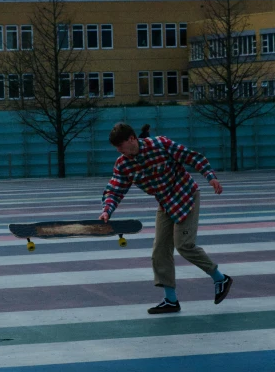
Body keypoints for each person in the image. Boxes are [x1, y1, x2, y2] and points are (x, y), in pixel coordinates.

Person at [99, 122, 232, 315]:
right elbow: (115, 188)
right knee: (160, 250)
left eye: (121, 146)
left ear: (132, 139)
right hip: (165, 204)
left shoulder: (160, 144)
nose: (120, 151)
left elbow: (190, 156)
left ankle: (220, 278)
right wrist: (107, 210)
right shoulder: (123, 164)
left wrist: (209, 176)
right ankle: (170, 300)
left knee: (184, 245)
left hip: (186, 196)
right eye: (117, 148)